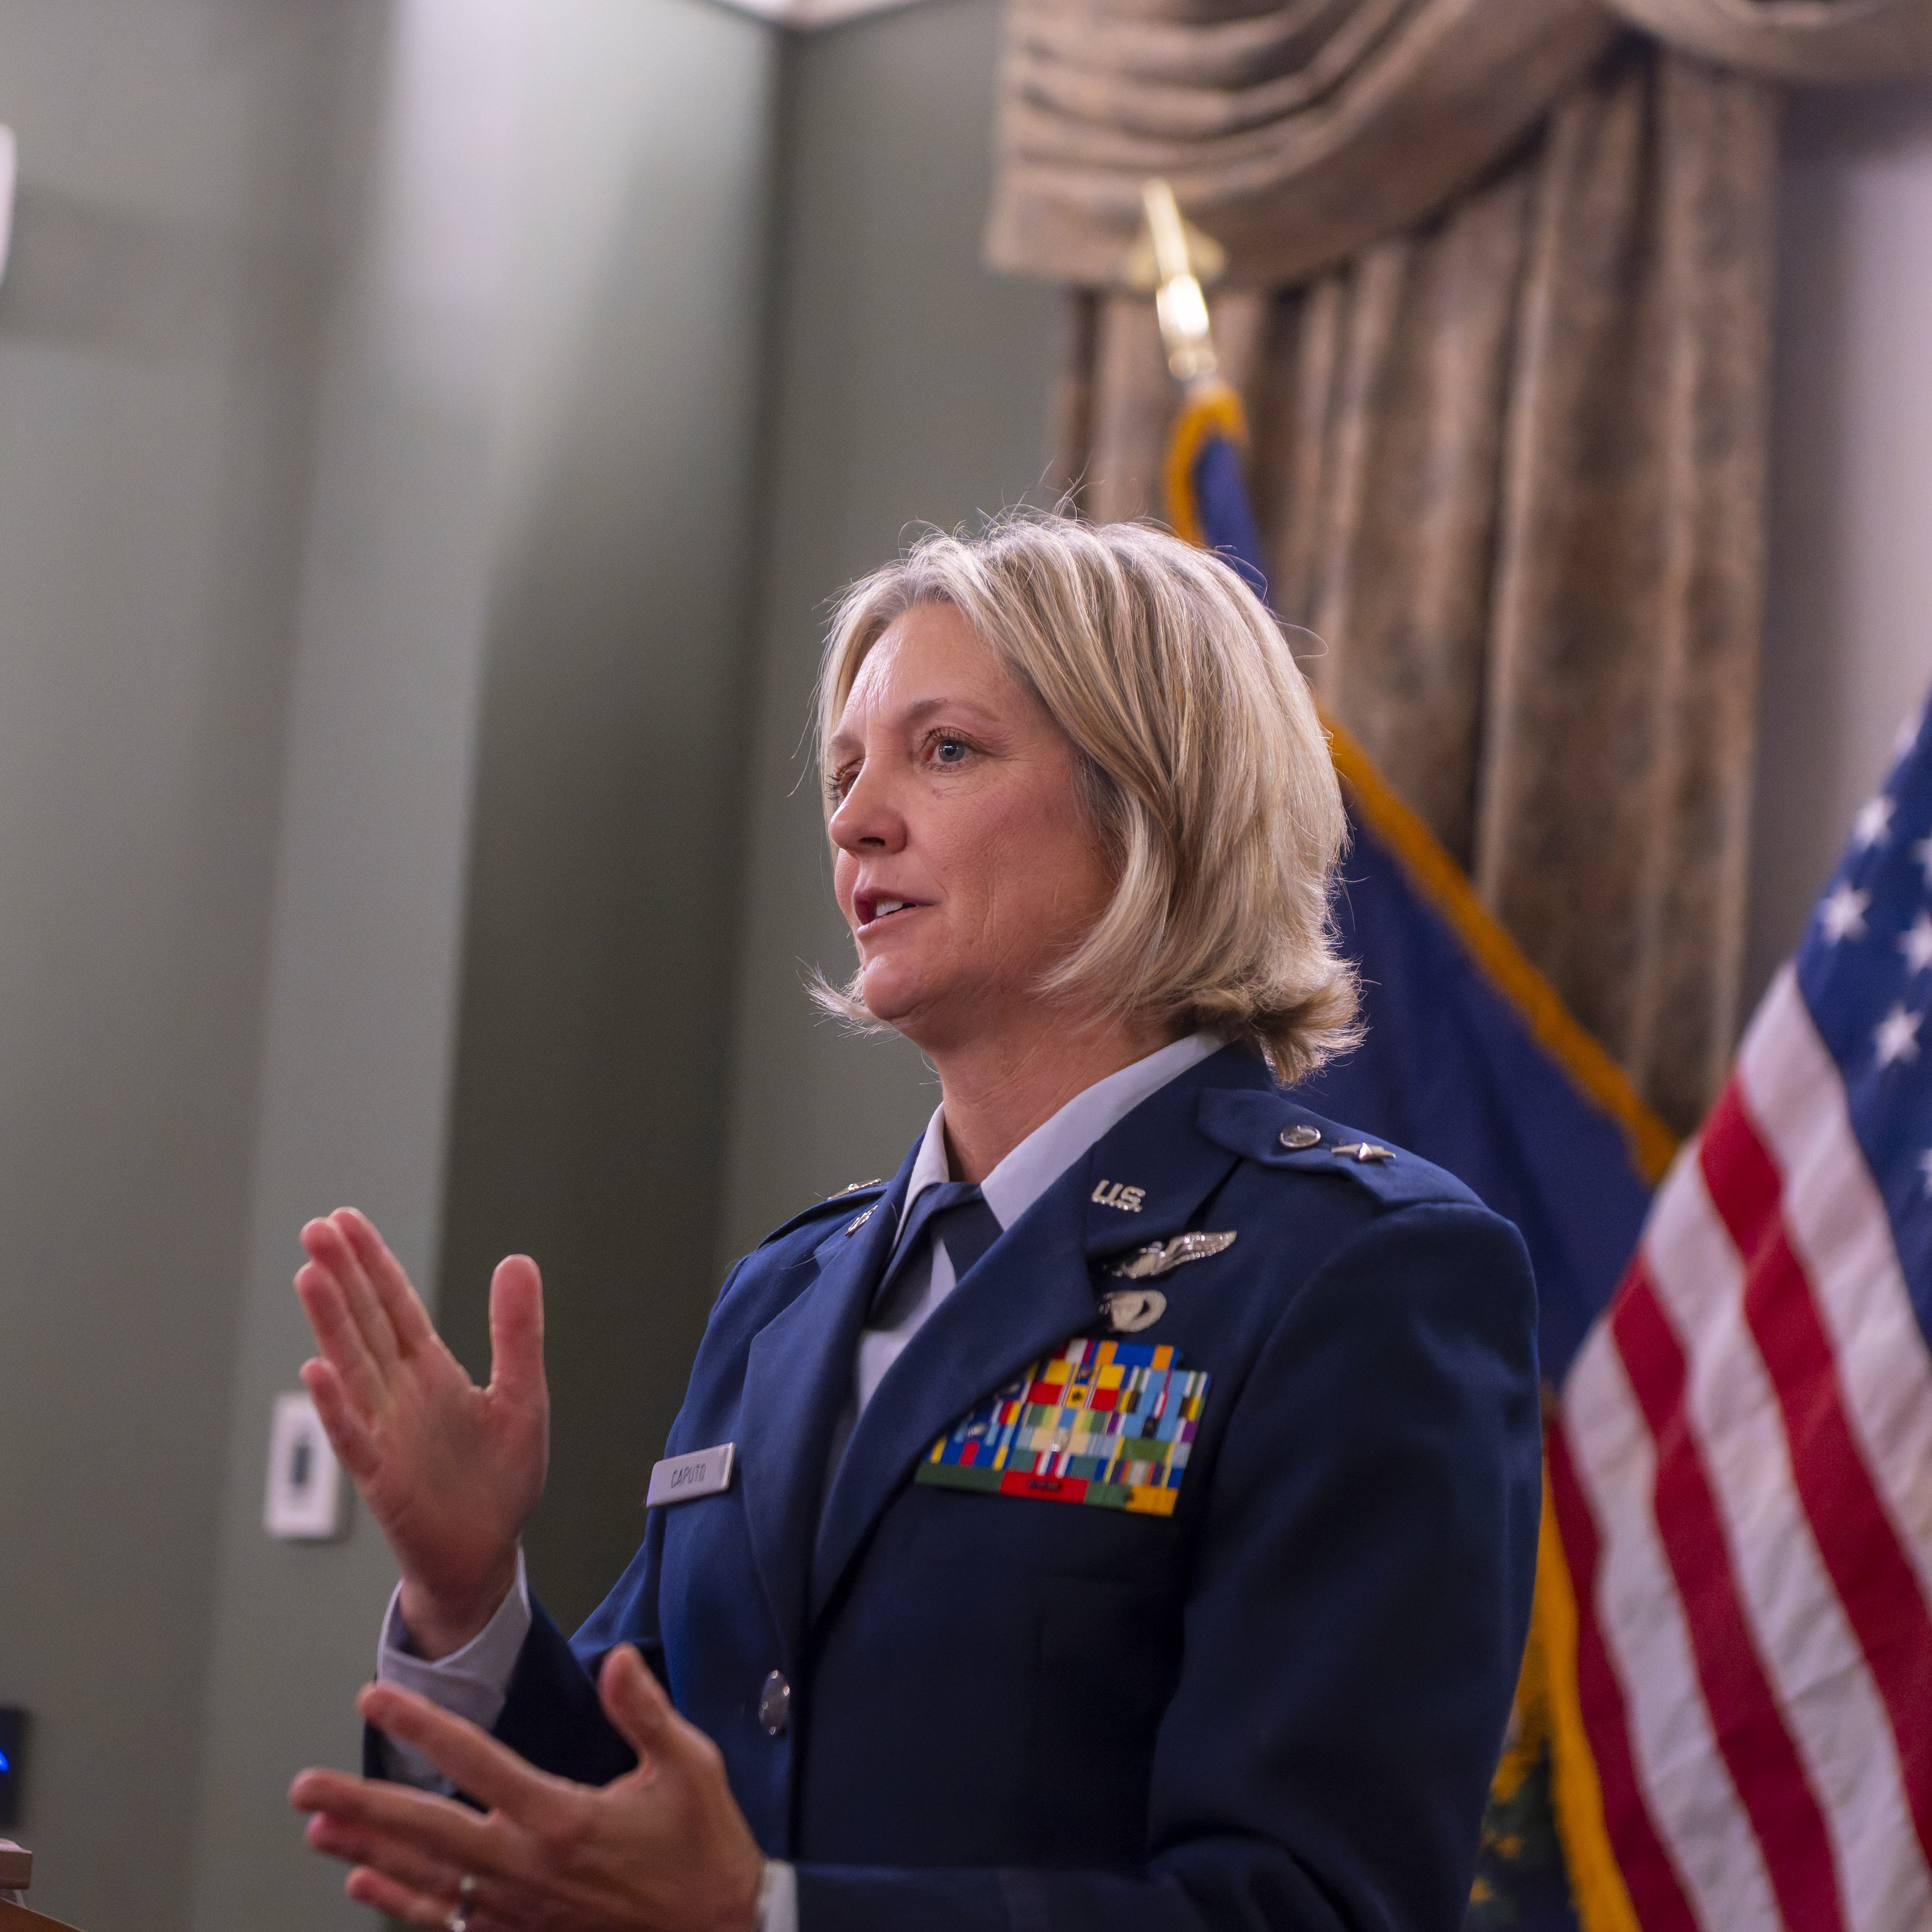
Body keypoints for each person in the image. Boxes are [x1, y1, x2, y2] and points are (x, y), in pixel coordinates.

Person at [289, 514, 1542, 1932]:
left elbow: (1310, 1907)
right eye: (844, 770)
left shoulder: (1357, 1271)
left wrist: (769, 1917)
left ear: (1154, 795)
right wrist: (472, 1603)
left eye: (942, 749)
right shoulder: (788, 1292)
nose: (854, 817)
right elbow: (624, 1838)